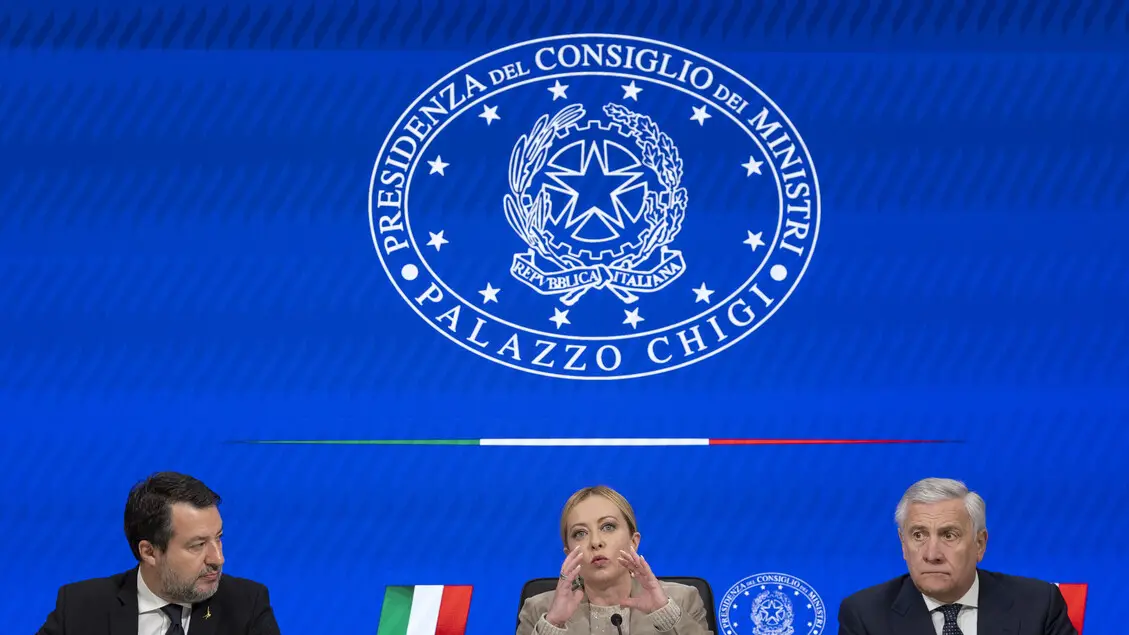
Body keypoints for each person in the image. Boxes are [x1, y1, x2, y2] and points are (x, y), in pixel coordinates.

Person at [37, 471, 281, 635]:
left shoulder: (246, 605)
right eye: (197, 545)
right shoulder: (81, 608)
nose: (218, 559)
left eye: (218, 538)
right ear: (149, 552)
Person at [838, 477, 1077, 635]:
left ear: (979, 544)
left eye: (949, 535)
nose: (932, 554)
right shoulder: (866, 616)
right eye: (918, 535)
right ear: (903, 544)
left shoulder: (1038, 606)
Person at [517, 485, 712, 635]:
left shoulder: (681, 600)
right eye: (580, 533)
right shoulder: (539, 610)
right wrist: (553, 624)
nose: (595, 542)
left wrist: (665, 613)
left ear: (633, 541)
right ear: (569, 554)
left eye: (608, 527)